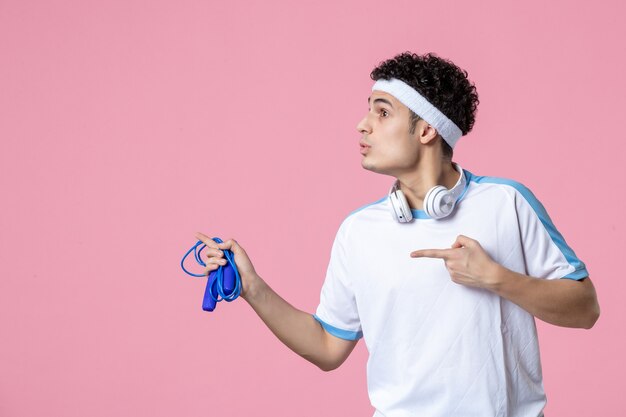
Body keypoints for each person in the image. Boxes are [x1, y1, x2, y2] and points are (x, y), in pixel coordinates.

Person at [195, 52, 600, 417]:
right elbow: (326, 347)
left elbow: (585, 308)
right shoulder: (358, 231)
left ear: (426, 130)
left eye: (382, 112)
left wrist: (496, 278)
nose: (362, 125)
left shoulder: (507, 203)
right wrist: (252, 287)